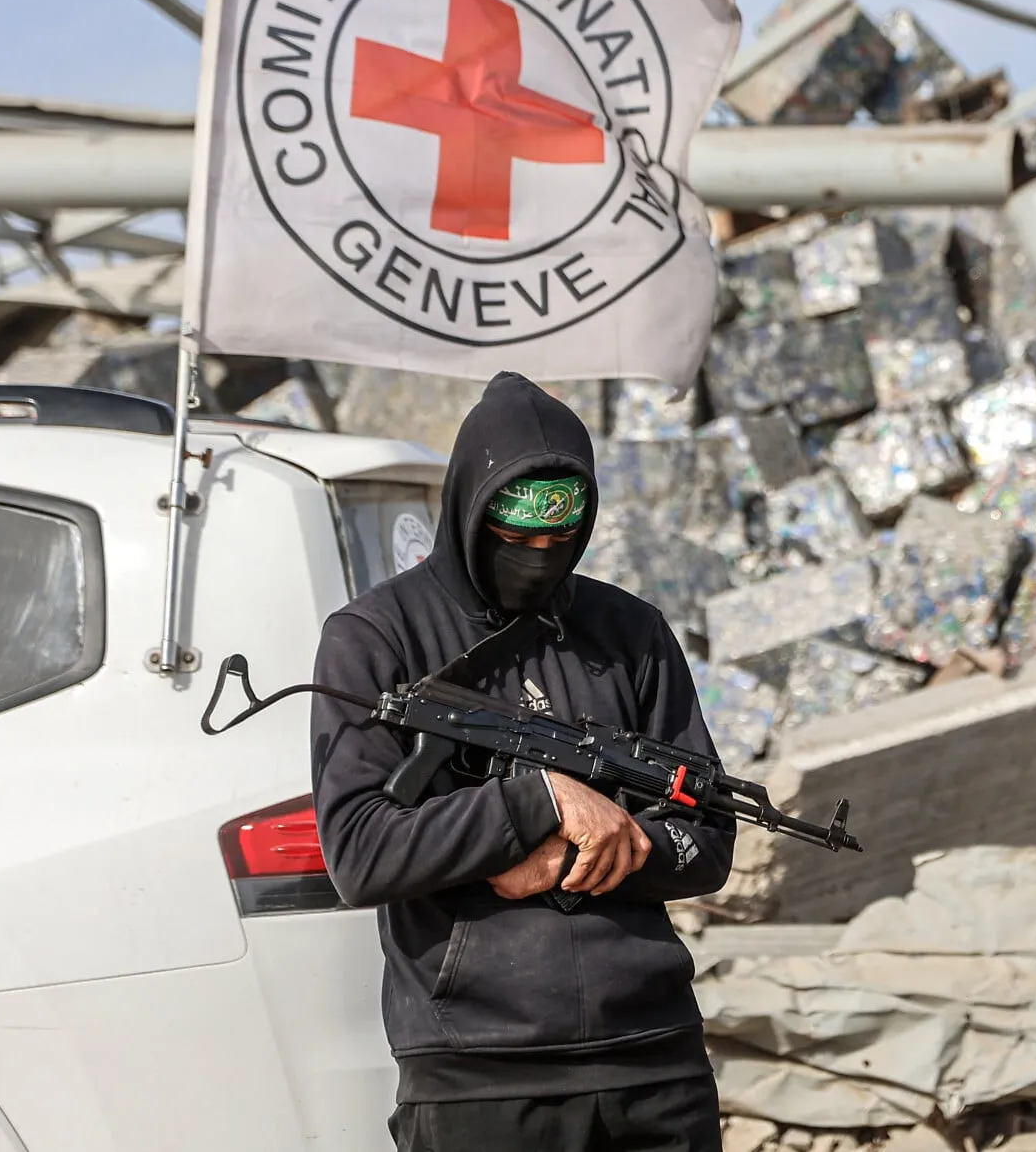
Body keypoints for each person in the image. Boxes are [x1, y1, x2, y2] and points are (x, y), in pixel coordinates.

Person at [311, 372, 735, 1152]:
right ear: (470, 513)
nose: (539, 561)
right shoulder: (376, 636)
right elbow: (362, 853)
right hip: (479, 1074)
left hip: (653, 1057)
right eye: (516, 540)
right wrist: (539, 802)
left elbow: (706, 838)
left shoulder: (630, 632)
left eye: (558, 543)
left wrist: (588, 850)